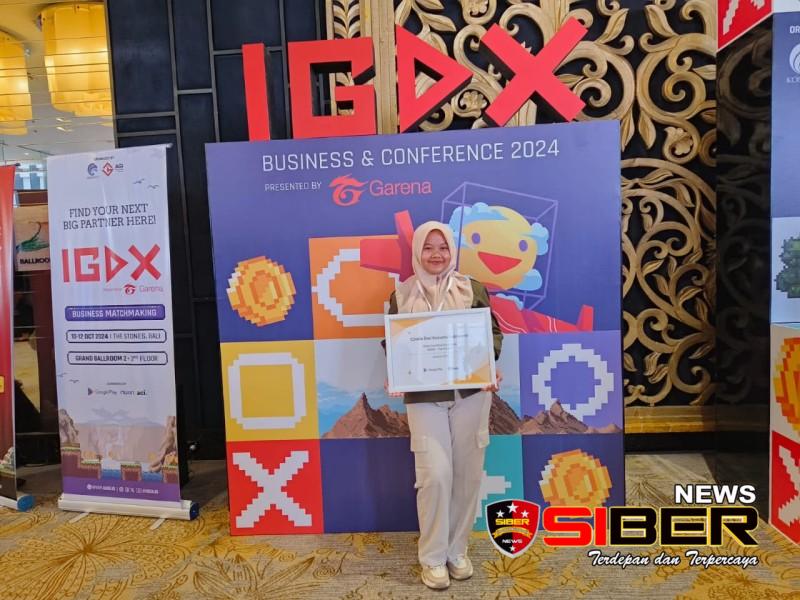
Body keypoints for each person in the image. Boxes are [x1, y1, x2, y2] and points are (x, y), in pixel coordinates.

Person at [384, 221, 503, 590]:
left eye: (443, 247)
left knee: (468, 474)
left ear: (453, 251)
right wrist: (397, 371)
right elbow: (394, 341)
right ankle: (433, 558)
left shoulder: (472, 289)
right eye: (428, 247)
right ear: (417, 251)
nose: (436, 255)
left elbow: (492, 333)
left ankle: (456, 551)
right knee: (434, 475)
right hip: (424, 398)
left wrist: (489, 365)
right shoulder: (401, 294)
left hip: (471, 395)